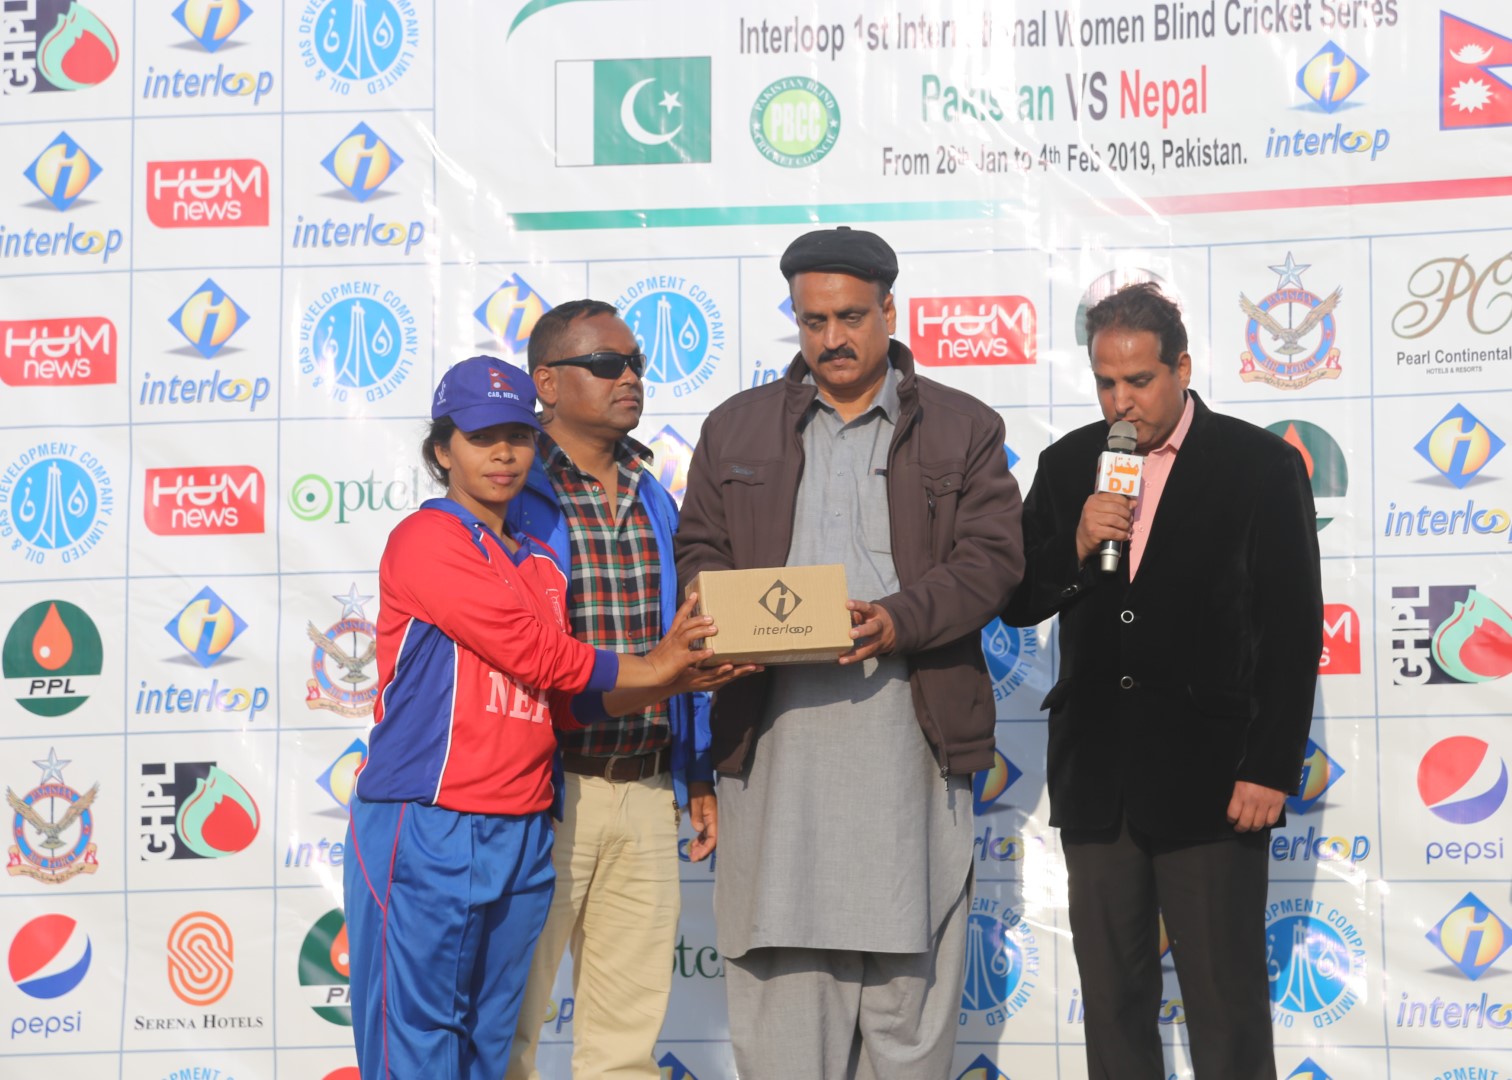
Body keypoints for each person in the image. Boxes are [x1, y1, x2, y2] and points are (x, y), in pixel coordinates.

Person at [675, 227, 1025, 1077]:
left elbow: (994, 561)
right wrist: (711, 605)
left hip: (910, 742)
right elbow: (700, 546)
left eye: (850, 317)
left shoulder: (963, 427)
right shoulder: (736, 427)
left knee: (910, 994)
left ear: (889, 311)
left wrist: (899, 619)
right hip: (773, 749)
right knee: (785, 989)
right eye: (812, 320)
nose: (832, 338)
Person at [343, 356, 729, 1080]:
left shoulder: (539, 564)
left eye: (518, 436)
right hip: (428, 815)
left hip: (522, 822)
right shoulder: (428, 538)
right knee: (417, 1037)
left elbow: (567, 705)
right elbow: (537, 654)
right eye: (482, 435)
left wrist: (682, 680)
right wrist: (657, 666)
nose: (503, 453)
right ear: (441, 450)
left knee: (491, 1040)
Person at [1002, 282, 1322, 1080]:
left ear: (1181, 368)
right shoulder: (1071, 461)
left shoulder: (1260, 465)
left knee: (1226, 1004)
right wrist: (1074, 541)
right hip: (1098, 779)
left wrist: (1269, 766)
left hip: (1215, 782)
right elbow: (1016, 599)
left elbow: (1293, 631)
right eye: (1106, 382)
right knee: (1111, 1004)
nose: (1122, 401)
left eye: (1139, 381)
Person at [506, 300, 755, 1079]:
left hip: (645, 788)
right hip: (540, 797)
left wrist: (695, 770)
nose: (630, 379)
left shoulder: (653, 490)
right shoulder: (509, 492)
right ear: (546, 381)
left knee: (625, 1049)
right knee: (506, 1033)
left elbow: (675, 648)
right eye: (607, 364)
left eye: (637, 364)